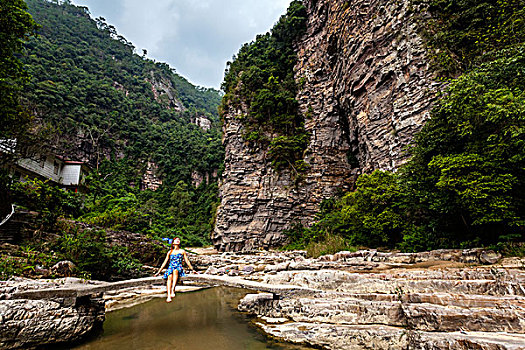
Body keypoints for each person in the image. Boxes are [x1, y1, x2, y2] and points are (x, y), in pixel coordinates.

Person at [154, 237, 194, 302]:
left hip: (178, 267)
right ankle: (169, 295)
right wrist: (158, 272)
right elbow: (165, 262)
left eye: (179, 240)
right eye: (176, 240)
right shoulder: (170, 252)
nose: (178, 241)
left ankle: (173, 289)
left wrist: (192, 269)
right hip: (171, 267)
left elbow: (187, 261)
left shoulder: (182, 251)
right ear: (173, 243)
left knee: (175, 270)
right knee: (169, 276)